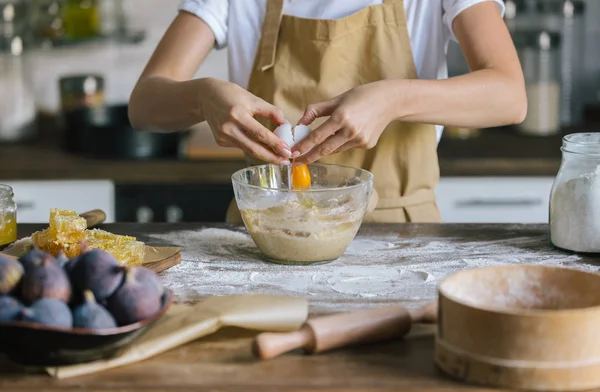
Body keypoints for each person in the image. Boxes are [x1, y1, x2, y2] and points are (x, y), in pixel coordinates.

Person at [129, 0, 527, 224]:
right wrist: (203, 97)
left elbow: (509, 94)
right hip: (266, 236)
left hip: (401, 236)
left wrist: (393, 99)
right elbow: (144, 104)